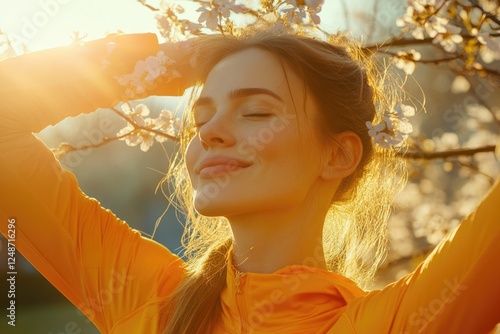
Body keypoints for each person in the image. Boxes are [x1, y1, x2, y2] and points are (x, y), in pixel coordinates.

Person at [0, 28, 499, 334]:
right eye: (201, 119)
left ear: (339, 154)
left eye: (256, 112)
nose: (212, 132)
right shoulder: (147, 300)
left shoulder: (396, 323)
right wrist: (165, 64)